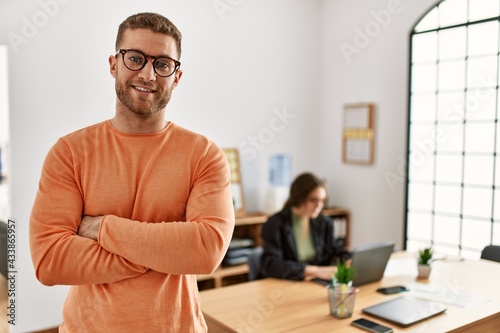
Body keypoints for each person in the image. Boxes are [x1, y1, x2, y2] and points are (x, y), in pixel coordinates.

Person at [29, 12, 235, 333]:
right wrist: (164, 253)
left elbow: (206, 251)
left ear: (176, 77)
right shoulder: (69, 152)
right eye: (135, 58)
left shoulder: (205, 155)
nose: (148, 75)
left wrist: (103, 229)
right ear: (113, 64)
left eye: (163, 64)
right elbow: (50, 260)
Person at [260, 172, 350, 281]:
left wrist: (349, 260)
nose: (319, 205)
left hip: (314, 283)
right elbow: (271, 265)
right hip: (287, 283)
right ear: (299, 198)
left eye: (322, 200)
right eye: (313, 200)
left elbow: (334, 250)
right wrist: (313, 270)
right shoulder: (275, 224)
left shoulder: (324, 222)